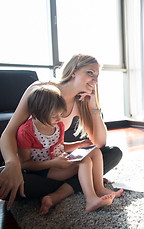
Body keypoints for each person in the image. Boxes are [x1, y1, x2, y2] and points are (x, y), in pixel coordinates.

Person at [0, 54, 122, 210]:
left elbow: (100, 143)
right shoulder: (40, 91)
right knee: (3, 180)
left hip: (59, 162)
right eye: (90, 73)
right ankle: (76, 183)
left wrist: (94, 106)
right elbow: (8, 133)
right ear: (74, 71)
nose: (95, 80)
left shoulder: (81, 102)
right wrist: (12, 164)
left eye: (97, 76)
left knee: (113, 153)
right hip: (35, 166)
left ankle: (65, 189)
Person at [17, 85, 123, 213]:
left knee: (94, 151)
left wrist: (78, 144)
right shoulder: (26, 132)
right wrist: (52, 163)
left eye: (60, 114)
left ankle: (99, 188)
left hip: (59, 161)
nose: (58, 118)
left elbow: (60, 146)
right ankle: (91, 199)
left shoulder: (58, 125)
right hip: (43, 169)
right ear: (36, 113)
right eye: (54, 115)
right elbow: (25, 164)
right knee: (85, 162)